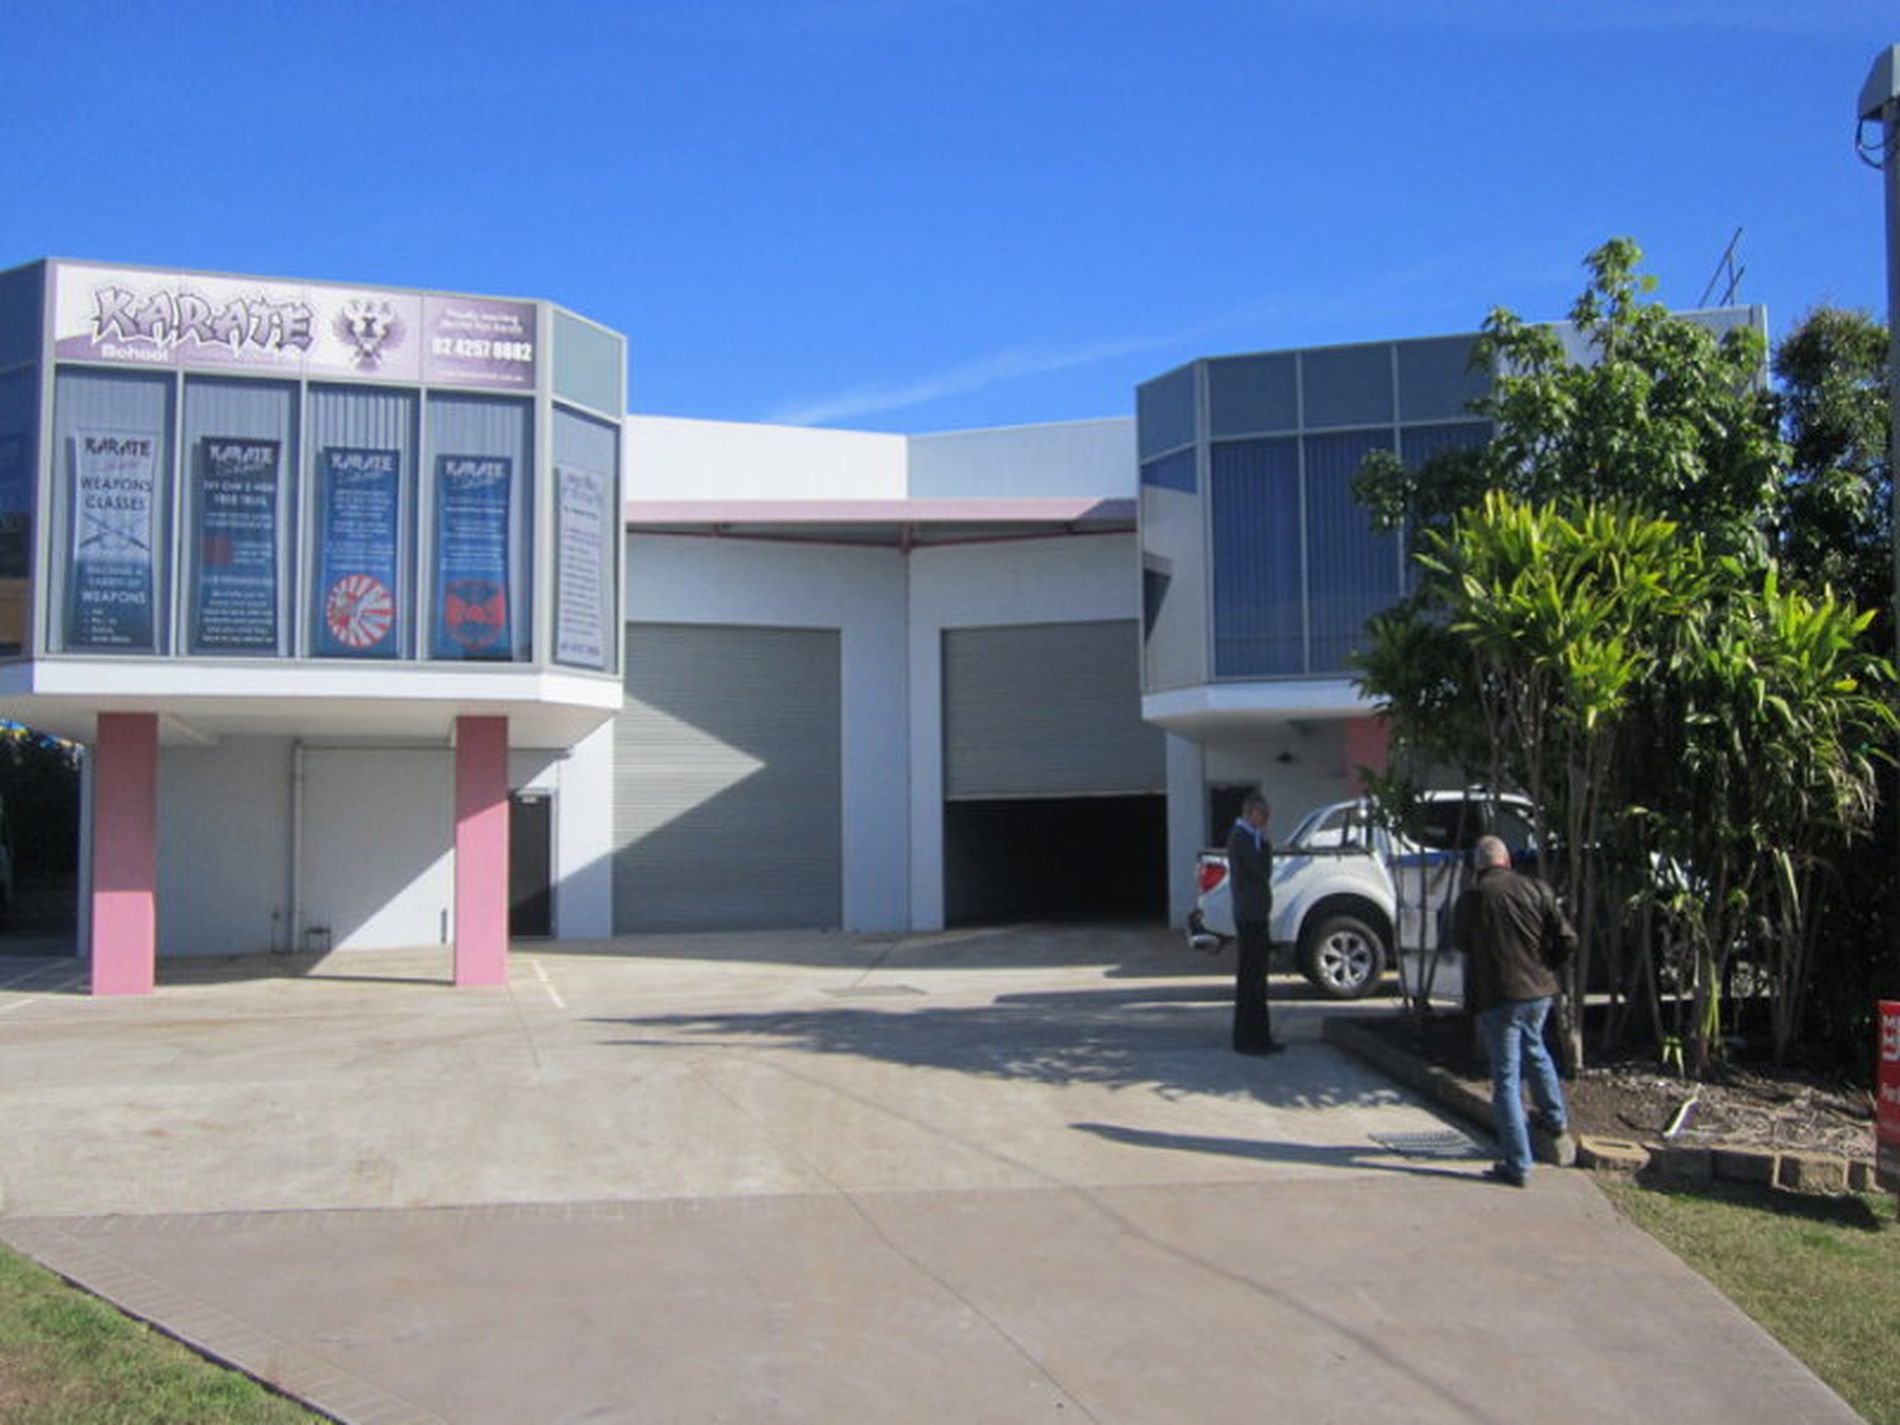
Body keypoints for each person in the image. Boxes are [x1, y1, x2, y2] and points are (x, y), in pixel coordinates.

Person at [1453, 834, 1575, 1186]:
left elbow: (1461, 942)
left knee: (1506, 1078)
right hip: (1539, 990)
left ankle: (1517, 1162)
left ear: (1478, 865)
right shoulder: (1536, 888)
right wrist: (1548, 965)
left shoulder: (1474, 897)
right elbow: (1567, 938)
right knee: (1536, 1049)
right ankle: (1554, 1119)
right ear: (1507, 861)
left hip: (1499, 994)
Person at [1226, 792, 1284, 1055]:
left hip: (1258, 913)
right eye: (1262, 814)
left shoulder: (1254, 838)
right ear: (1250, 813)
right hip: (1249, 915)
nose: (1266, 820)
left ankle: (1261, 1036)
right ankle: (1248, 1039)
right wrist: (1266, 847)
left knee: (1259, 978)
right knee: (1251, 978)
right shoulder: (1242, 838)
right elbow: (1260, 871)